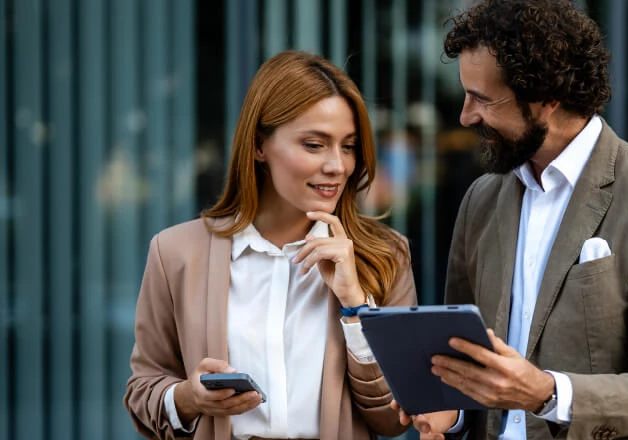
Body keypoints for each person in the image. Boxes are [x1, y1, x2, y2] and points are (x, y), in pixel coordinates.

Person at [394, 1, 628, 439]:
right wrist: (448, 414)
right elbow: (468, 368)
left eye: (482, 99)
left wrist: (546, 393)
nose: (465, 116)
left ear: (547, 99)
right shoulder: (481, 200)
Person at [124, 50, 416, 440]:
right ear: (260, 146)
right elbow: (143, 391)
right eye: (314, 145)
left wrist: (355, 304)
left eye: (348, 146)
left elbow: (395, 418)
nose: (337, 165)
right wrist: (189, 398)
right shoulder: (175, 253)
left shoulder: (384, 255)